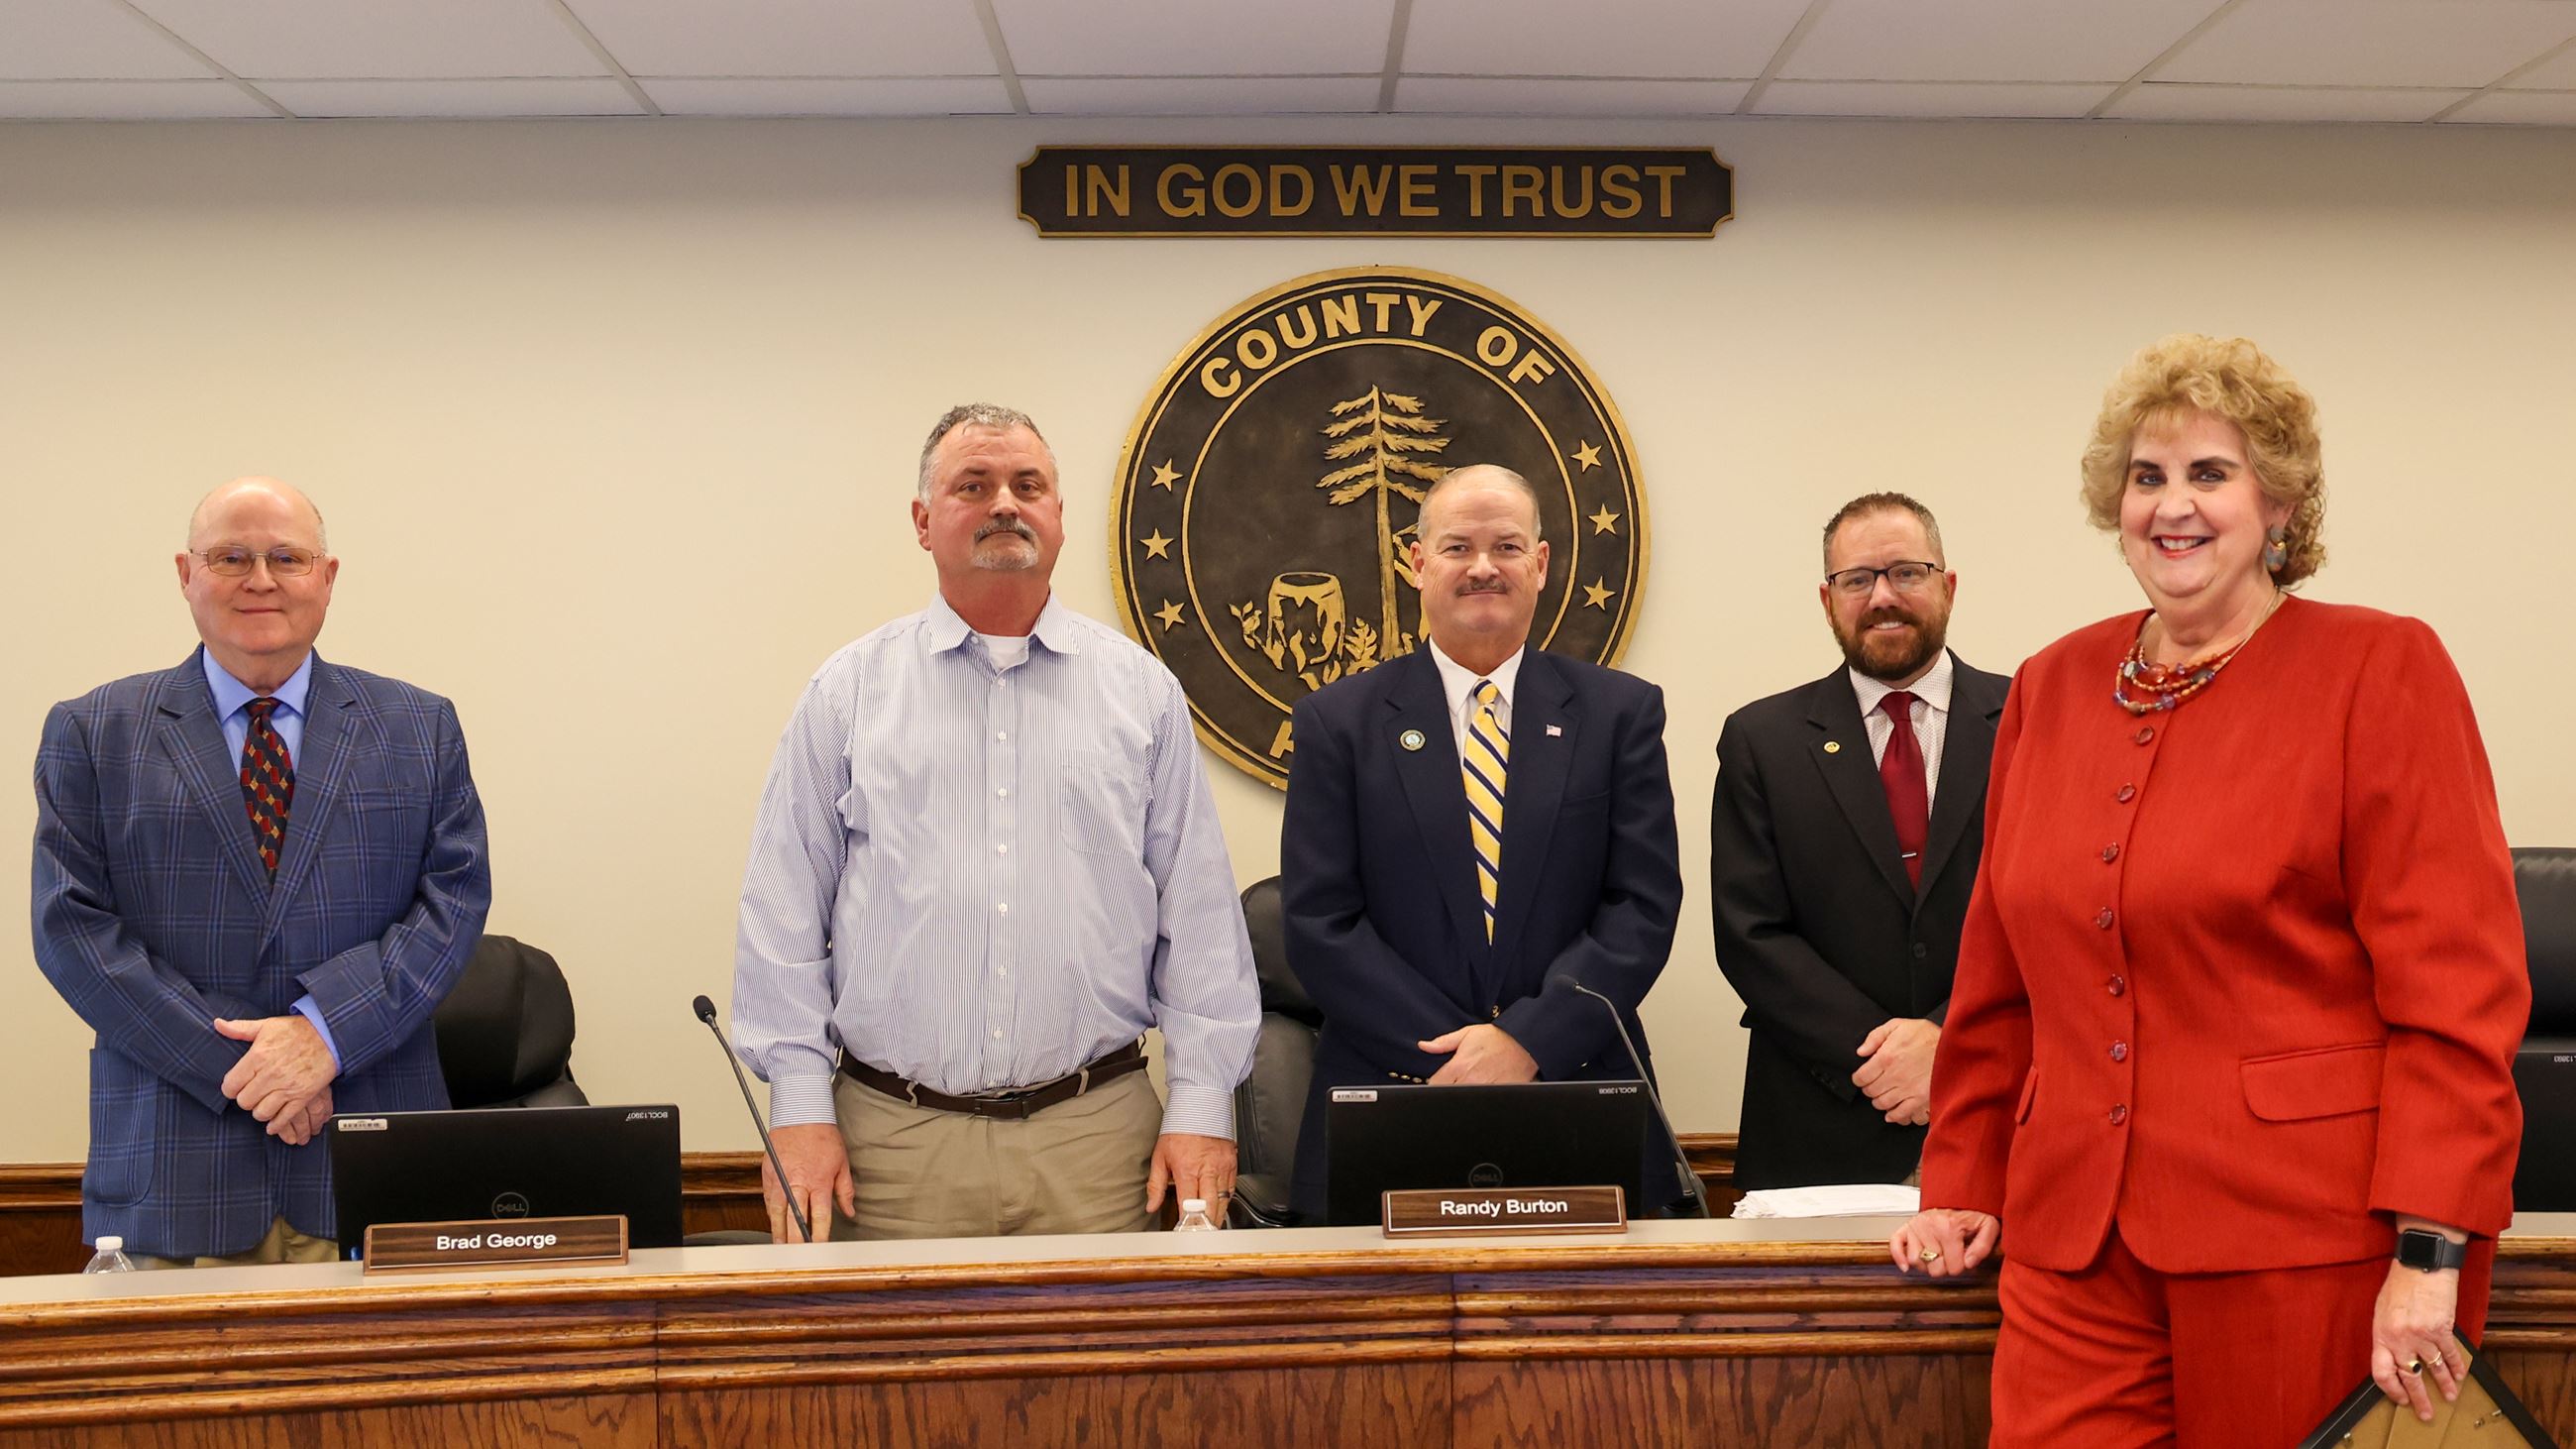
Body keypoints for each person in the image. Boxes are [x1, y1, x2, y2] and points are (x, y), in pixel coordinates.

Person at [1891, 335, 2528, 1444]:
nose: (2171, 505)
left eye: (2209, 473)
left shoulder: (2379, 669)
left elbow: (2454, 996)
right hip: (2071, 1244)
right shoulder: (2050, 684)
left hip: (2305, 1244)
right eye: (2147, 476)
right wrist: (1960, 1175)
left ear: (2277, 503)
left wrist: (2431, 1251)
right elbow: (2000, 974)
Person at [732, 403, 1260, 1242]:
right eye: (973, 486)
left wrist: (1203, 1107)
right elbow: (782, 916)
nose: (1005, 504)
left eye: (1028, 485)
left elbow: (1199, 921)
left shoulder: (1142, 694)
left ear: (1058, 515)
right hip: (891, 1151)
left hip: (1098, 1143)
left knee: (1117, 1339)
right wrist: (798, 1107)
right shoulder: (848, 693)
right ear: (923, 522)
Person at [33, 477, 491, 1267]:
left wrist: (326, 1035)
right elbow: (71, 934)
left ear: (327, 576)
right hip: (176, 1178)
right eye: (231, 557)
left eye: (287, 557)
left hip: (375, 1173)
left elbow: (452, 905)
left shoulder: (421, 728)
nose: (260, 579)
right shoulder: (92, 733)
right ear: (187, 574)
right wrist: (257, 1070)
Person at [1280, 463, 1684, 1222]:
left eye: (1506, 546)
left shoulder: (1618, 714)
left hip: (1575, 1090)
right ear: (1417, 563)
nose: (1482, 568)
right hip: (1394, 1099)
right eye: (1458, 547)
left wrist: (1527, 1040)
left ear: (1541, 563)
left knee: (1595, 1303)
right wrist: (1465, 1054)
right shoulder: (1337, 722)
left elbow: (1642, 906)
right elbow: (1318, 922)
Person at [1711, 493, 2007, 1189]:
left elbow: (2055, 915)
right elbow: (1751, 934)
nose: (1883, 597)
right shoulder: (1761, 740)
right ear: (1828, 600)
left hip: (1995, 1109)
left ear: (1948, 585)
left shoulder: (2032, 718)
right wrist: (1883, 1061)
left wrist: (1949, 1041)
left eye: (1906, 572)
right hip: (1818, 1122)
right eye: (1857, 579)